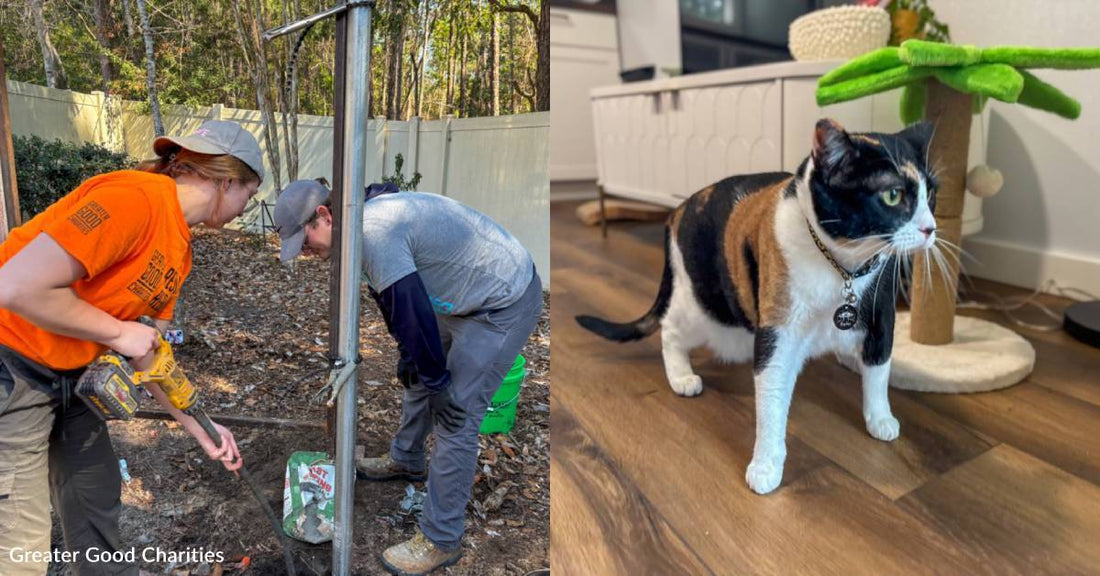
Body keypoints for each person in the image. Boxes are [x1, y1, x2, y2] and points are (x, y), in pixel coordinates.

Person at [0, 120, 262, 576]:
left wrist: (198, 424)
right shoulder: (133, 200)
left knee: (95, 503)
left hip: (75, 378)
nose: (247, 207)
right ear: (227, 180)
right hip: (13, 363)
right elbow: (17, 286)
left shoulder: (179, 250)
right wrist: (118, 333)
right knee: (19, 538)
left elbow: (151, 352)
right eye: (250, 194)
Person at [275, 180, 543, 575]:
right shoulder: (354, 232)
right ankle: (407, 460)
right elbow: (393, 302)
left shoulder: (372, 232)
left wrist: (439, 383)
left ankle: (440, 539)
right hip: (458, 296)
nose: (307, 251)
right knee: (422, 370)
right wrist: (410, 357)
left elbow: (411, 308)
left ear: (325, 215)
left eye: (306, 238)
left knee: (456, 416)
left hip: (501, 302)